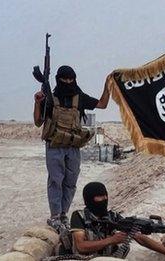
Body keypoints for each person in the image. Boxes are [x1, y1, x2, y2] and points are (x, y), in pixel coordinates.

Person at [33, 65, 110, 230]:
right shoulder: (51, 98)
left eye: (71, 79)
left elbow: (103, 104)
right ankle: (55, 216)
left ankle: (63, 215)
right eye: (64, 79)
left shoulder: (79, 97)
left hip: (73, 145)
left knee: (70, 182)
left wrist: (108, 85)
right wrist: (38, 103)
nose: (68, 82)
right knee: (55, 181)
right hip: (54, 145)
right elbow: (38, 122)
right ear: (58, 79)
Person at [69, 182, 165, 259]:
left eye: (105, 196)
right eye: (100, 197)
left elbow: (140, 238)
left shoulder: (113, 216)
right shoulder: (79, 216)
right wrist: (112, 240)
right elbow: (81, 246)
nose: (104, 199)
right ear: (88, 199)